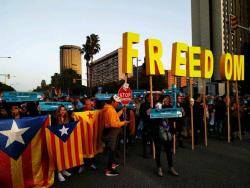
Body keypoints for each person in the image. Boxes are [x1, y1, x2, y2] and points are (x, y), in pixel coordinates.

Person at [102, 95, 129, 176]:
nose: (118, 104)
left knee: (112, 149)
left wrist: (121, 111)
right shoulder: (110, 110)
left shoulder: (109, 108)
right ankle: (109, 170)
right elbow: (113, 123)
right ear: (113, 102)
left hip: (110, 132)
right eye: (117, 103)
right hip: (111, 132)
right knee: (111, 150)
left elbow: (115, 117)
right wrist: (123, 123)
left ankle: (112, 165)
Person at [152, 95, 179, 177]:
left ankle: (171, 167)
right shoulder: (157, 107)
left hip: (168, 132)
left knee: (168, 151)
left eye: (168, 99)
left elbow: (174, 119)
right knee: (158, 151)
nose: (167, 101)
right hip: (158, 132)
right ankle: (159, 167)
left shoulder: (170, 107)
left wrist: (179, 112)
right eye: (165, 99)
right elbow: (153, 118)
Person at [53, 105, 73, 182]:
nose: (63, 111)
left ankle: (63, 170)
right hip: (57, 140)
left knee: (65, 155)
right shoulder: (55, 119)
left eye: (64, 110)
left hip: (66, 140)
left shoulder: (67, 118)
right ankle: (58, 173)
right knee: (59, 156)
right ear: (58, 111)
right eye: (61, 110)